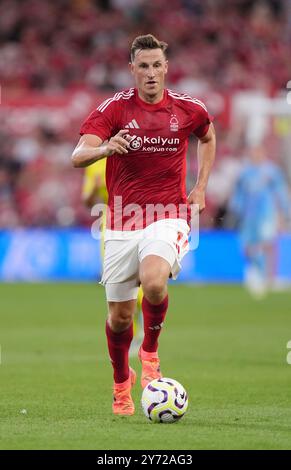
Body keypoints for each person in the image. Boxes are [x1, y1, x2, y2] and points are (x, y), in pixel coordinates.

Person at [72, 34, 216, 416]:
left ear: (166, 67)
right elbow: (77, 155)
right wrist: (105, 147)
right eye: (143, 66)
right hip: (122, 221)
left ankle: (149, 354)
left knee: (154, 281)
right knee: (119, 318)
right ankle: (122, 383)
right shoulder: (114, 110)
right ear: (131, 69)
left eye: (157, 65)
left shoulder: (188, 108)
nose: (151, 73)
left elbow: (208, 136)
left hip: (168, 214)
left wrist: (200, 188)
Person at [82, 159, 144, 356]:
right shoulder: (95, 161)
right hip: (110, 227)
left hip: (141, 221)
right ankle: (133, 335)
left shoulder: (136, 151)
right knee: (119, 285)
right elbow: (87, 201)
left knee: (145, 286)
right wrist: (96, 188)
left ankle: (145, 333)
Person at [230, 144, 290, 297]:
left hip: (266, 214)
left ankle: (269, 278)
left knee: (267, 244)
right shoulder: (245, 173)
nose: (254, 155)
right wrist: (236, 208)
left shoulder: (271, 171)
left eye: (257, 152)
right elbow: (239, 193)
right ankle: (255, 271)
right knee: (247, 246)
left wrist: (285, 211)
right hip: (248, 216)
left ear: (263, 153)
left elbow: (280, 191)